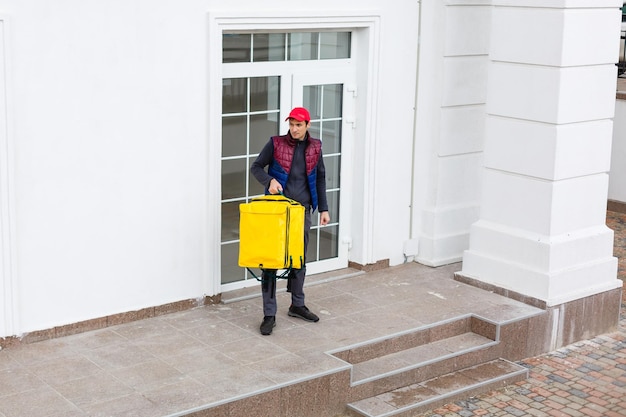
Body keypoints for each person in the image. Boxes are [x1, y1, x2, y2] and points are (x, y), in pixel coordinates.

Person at [250, 106, 330, 335]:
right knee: (271, 262)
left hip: (301, 211)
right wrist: (269, 181)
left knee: (299, 259)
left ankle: (297, 304)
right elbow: (256, 167)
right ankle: (269, 314)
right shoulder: (276, 143)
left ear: (307, 125)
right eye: (291, 124)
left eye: (298, 125)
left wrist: (323, 208)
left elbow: (320, 179)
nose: (293, 129)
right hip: (276, 211)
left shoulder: (316, 147)